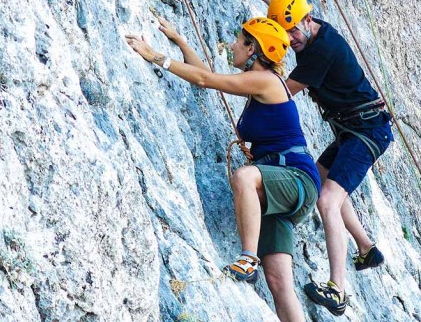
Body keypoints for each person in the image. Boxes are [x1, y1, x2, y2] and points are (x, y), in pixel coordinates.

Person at [213, 0, 394, 316]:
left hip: (368, 129)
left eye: (293, 31)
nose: (290, 39)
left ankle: (338, 289)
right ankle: (365, 247)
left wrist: (248, 81)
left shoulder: (321, 51)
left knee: (328, 199)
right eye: (286, 31)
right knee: (324, 175)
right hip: (352, 128)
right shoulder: (302, 29)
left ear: (308, 20)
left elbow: (282, 91)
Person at [126, 16, 320, 322]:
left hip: (295, 179)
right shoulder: (257, 82)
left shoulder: (266, 80)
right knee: (281, 284)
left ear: (253, 49)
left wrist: (156, 57)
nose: (232, 46)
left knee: (243, 177)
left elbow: (205, 80)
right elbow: (208, 75)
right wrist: (180, 40)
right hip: (280, 191)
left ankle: (247, 259)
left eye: (239, 41)